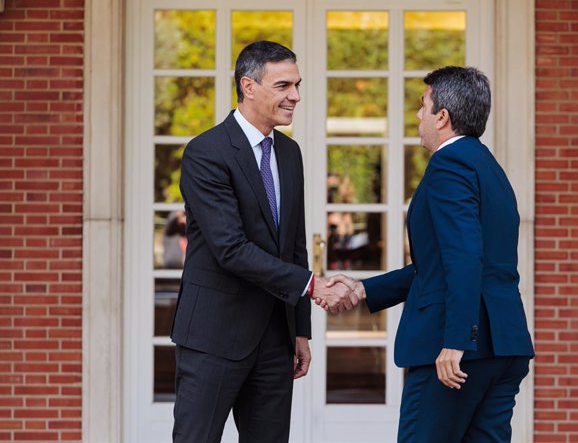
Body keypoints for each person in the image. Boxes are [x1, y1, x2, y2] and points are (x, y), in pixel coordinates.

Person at [326, 66, 535, 442]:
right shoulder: (489, 167)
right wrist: (364, 289)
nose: (418, 115)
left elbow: (464, 256)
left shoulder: (448, 165)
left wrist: (456, 340)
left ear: (443, 117)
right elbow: (444, 262)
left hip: (458, 353)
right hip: (504, 344)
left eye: (423, 106)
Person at [170, 40, 357, 443]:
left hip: (275, 338)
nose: (295, 96)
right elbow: (230, 248)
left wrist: (300, 329)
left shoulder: (289, 153)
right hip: (213, 337)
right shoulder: (206, 152)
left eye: (297, 85)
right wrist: (311, 284)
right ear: (248, 86)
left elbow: (294, 244)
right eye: (284, 85)